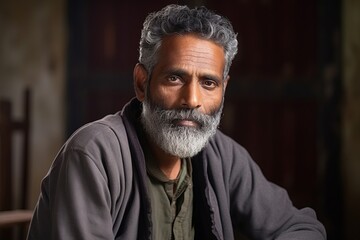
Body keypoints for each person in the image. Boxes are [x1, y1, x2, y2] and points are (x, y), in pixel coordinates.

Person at [27, 4, 326, 240]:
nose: (192, 99)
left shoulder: (223, 156)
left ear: (224, 91)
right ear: (142, 83)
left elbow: (303, 228)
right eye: (175, 78)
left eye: (208, 83)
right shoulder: (94, 154)